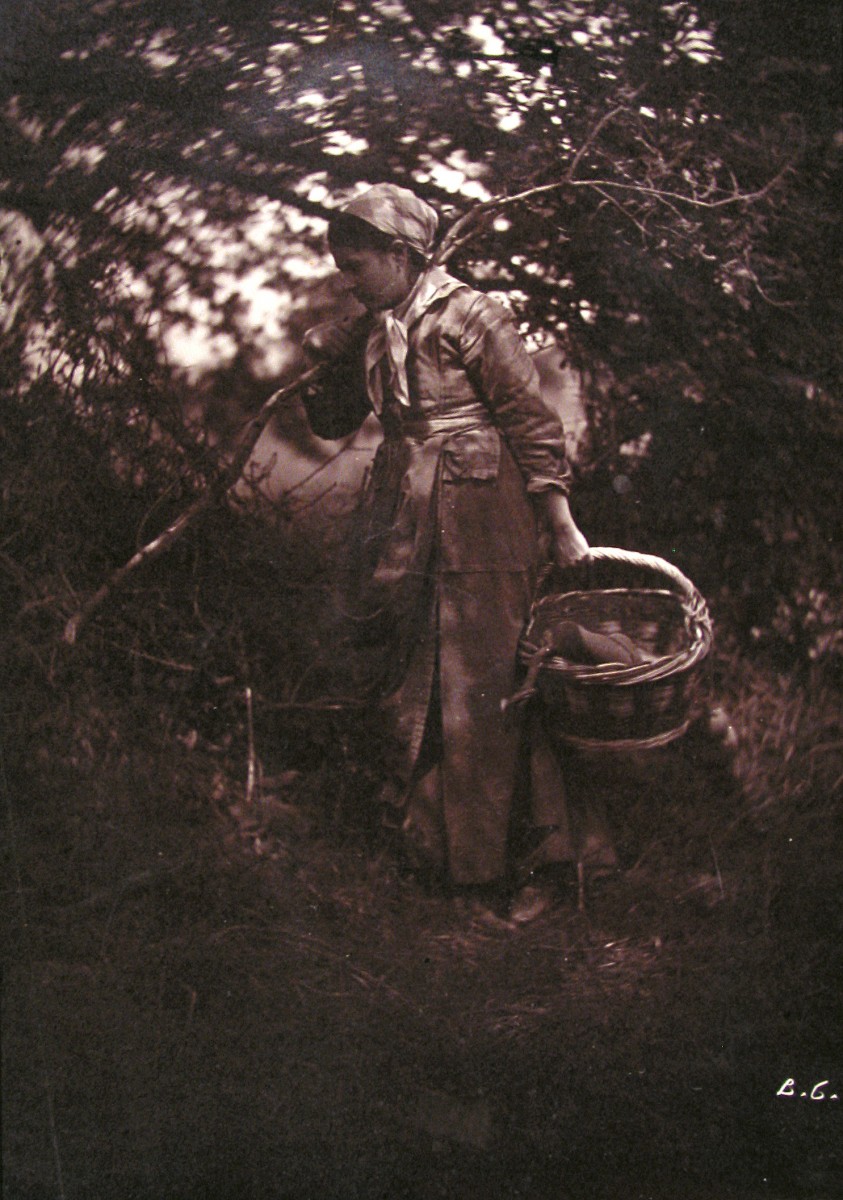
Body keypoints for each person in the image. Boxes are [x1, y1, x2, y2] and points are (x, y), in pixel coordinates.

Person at [302, 182, 614, 923]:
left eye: (358, 264)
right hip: (405, 517)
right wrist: (325, 357)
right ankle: (444, 857)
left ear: (402, 255)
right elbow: (331, 422)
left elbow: (528, 420)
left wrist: (560, 523)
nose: (348, 278)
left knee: (494, 681)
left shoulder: (472, 315)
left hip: (484, 516)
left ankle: (540, 863)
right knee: (420, 678)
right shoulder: (375, 325)